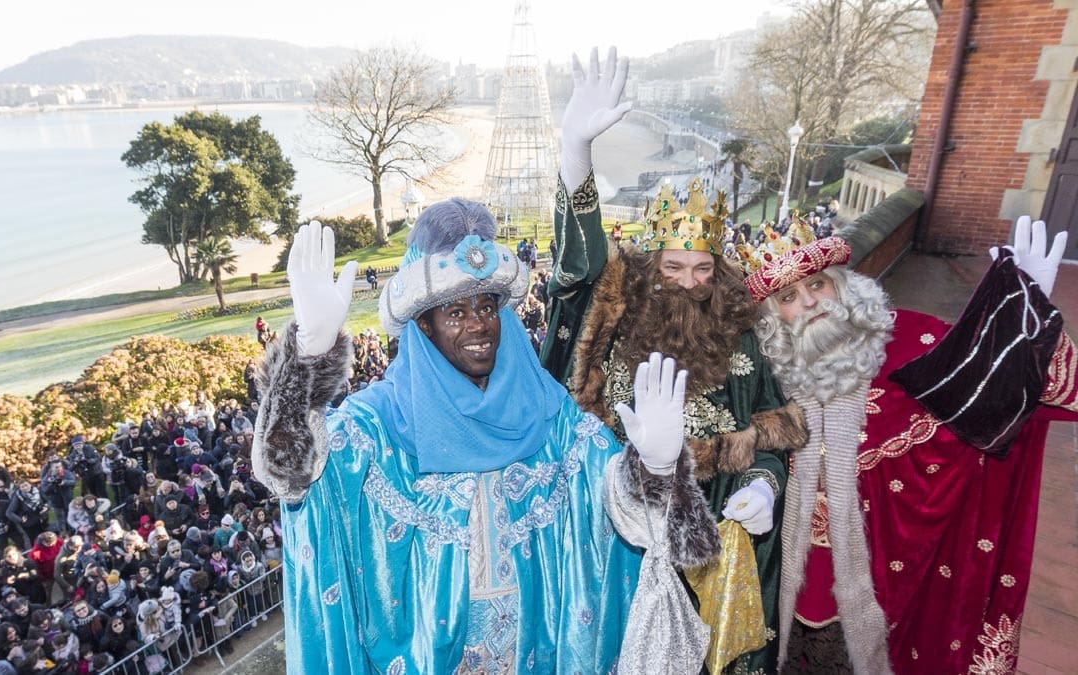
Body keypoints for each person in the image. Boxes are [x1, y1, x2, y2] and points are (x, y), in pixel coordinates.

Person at [251, 208, 723, 673]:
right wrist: (306, 363)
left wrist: (657, 469)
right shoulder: (377, 422)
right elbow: (294, 479)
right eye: (455, 311)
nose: (478, 324)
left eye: (486, 307)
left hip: (535, 651)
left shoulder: (545, 408)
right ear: (424, 326)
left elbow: (612, 500)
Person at [539, 47, 807, 673]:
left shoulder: (745, 333)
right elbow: (578, 257)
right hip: (627, 534)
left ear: (719, 270)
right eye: (674, 267)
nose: (689, 283)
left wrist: (765, 484)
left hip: (722, 532)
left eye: (703, 268)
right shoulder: (618, 315)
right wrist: (576, 156)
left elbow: (772, 425)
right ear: (651, 267)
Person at [741, 221, 1078, 673]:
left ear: (840, 284)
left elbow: (1006, 391)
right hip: (786, 577)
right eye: (787, 297)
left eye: (817, 284)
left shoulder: (917, 342)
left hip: (891, 577)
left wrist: (1026, 316)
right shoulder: (764, 375)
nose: (808, 304)